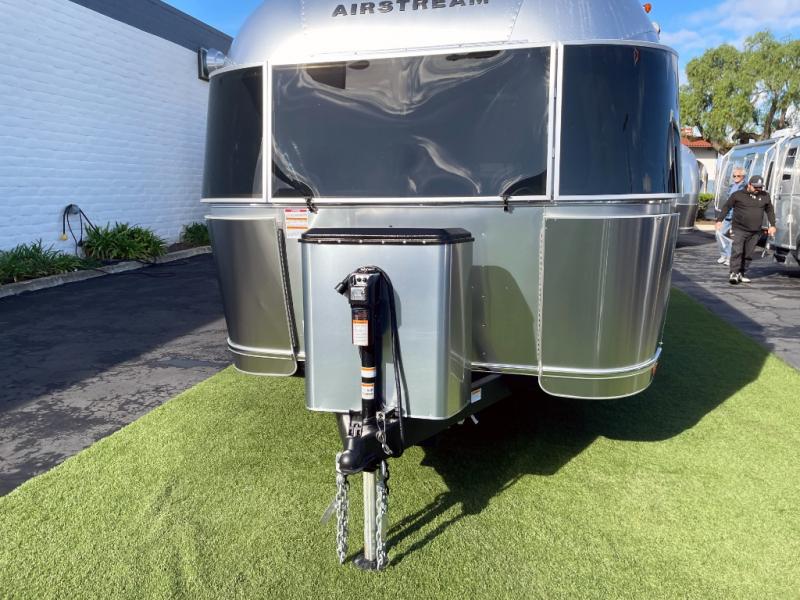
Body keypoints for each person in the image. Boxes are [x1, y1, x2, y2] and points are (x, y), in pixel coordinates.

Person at [715, 175, 777, 284]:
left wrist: (772, 225)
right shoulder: (738, 195)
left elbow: (770, 210)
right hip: (739, 229)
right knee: (737, 251)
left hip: (755, 231)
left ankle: (741, 273)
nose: (758, 189)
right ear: (749, 185)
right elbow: (727, 207)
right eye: (755, 187)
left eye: (760, 187)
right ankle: (734, 273)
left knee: (748, 254)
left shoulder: (765, 196)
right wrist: (720, 220)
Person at [715, 167, 746, 265]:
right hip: (728, 215)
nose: (736, 177)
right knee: (719, 233)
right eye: (734, 176)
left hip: (737, 216)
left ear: (743, 176)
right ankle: (724, 254)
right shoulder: (731, 186)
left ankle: (729, 257)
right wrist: (720, 218)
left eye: (738, 176)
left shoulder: (745, 187)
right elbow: (728, 203)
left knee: (733, 237)